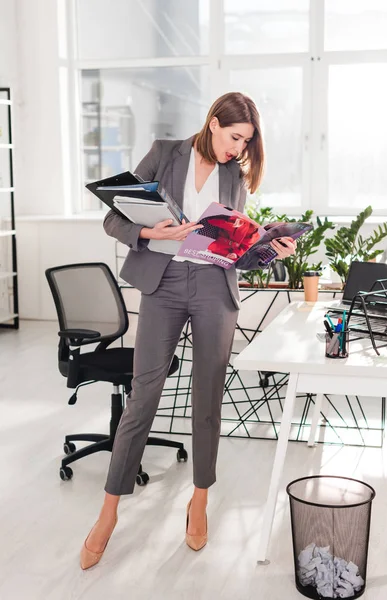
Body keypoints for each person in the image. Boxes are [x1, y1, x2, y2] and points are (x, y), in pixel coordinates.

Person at [80, 92, 297, 569]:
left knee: (207, 398)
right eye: (235, 137)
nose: (239, 149)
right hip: (163, 283)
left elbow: (235, 249)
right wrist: (152, 234)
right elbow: (113, 217)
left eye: (246, 142)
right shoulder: (165, 153)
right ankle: (109, 510)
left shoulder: (234, 176)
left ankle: (199, 498)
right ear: (214, 123)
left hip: (213, 287)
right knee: (144, 395)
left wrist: (268, 251)